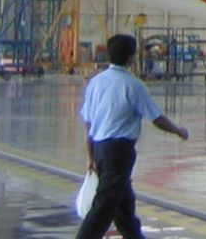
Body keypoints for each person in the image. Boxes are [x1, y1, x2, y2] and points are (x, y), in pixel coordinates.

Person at [75, 33, 189, 239]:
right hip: (119, 151)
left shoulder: (96, 83)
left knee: (123, 206)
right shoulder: (133, 85)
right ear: (131, 58)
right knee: (104, 207)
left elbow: (88, 123)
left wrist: (91, 157)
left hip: (99, 149)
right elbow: (156, 118)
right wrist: (178, 131)